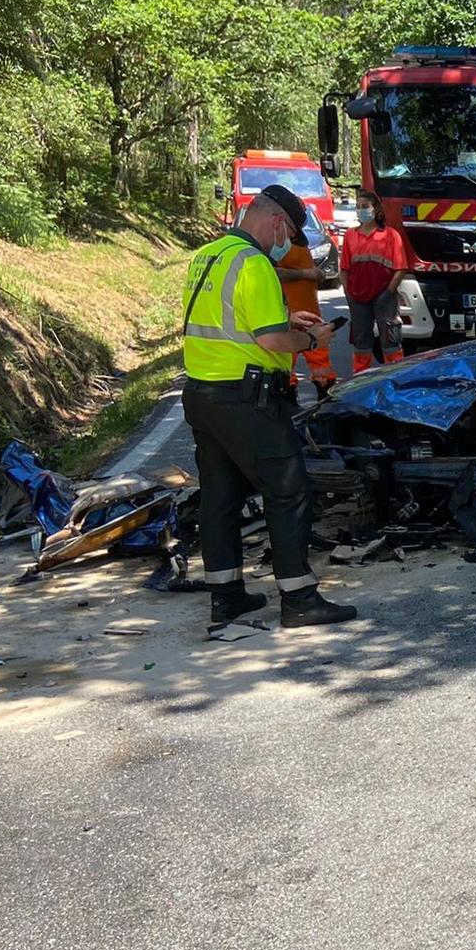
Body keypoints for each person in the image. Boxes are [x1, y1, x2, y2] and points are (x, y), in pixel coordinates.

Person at [181, 184, 357, 629]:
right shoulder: (255, 263)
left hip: (204, 393)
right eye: (290, 235)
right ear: (277, 221)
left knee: (220, 496)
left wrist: (284, 318)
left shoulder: (209, 254)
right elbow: (271, 341)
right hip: (247, 397)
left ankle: (227, 597)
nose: (287, 245)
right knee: (288, 490)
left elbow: (230, 319)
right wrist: (309, 338)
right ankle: (299, 599)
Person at [338, 193, 412, 374]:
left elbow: (400, 268)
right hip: (357, 296)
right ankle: (359, 379)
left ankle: (396, 377)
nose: (361, 210)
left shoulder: (390, 235)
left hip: (383, 296)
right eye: (359, 206)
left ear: (376, 208)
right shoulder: (350, 235)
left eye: (365, 206)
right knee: (360, 341)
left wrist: (388, 293)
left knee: (390, 339)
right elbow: (344, 269)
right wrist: (349, 294)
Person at [275, 219, 328, 409]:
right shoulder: (276, 243)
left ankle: (325, 400)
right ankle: (288, 402)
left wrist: (316, 274)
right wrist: (307, 274)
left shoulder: (298, 239)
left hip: (310, 312)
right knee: (286, 361)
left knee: (320, 362)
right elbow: (272, 272)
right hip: (289, 315)